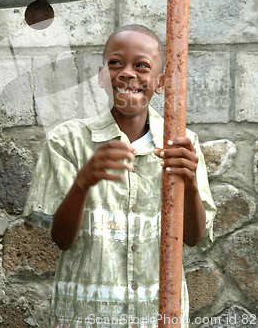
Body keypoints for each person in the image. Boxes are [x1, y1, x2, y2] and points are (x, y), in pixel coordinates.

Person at [23, 24, 216, 328]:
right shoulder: (67, 142)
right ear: (101, 77)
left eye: (141, 66)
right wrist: (83, 182)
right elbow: (61, 239)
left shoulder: (181, 145)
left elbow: (193, 237)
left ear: (161, 81)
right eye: (115, 64)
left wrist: (190, 184)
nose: (127, 73)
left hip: (157, 317)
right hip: (85, 317)